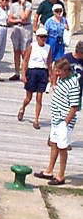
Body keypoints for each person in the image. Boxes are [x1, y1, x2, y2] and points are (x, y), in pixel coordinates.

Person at [34, 57, 80, 185]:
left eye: (59, 71)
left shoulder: (73, 84)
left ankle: (61, 176)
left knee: (62, 147)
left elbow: (74, 106)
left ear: (66, 70)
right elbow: (54, 78)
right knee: (53, 143)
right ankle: (49, 170)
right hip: (56, 119)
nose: (57, 73)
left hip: (63, 120)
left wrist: (66, 123)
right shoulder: (62, 79)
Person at [18, 27, 52, 129]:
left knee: (39, 97)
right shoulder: (32, 46)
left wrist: (50, 76)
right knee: (29, 97)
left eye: (45, 37)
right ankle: (22, 108)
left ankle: (36, 120)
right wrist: (23, 74)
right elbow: (25, 61)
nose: (43, 39)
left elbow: (49, 63)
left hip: (43, 72)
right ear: (37, 37)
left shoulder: (48, 48)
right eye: (41, 37)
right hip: (32, 71)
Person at [8, 0, 33, 80]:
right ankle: (16, 72)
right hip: (16, 28)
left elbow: (24, 17)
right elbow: (9, 19)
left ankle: (25, 72)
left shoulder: (28, 5)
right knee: (16, 51)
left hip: (26, 28)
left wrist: (22, 6)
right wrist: (17, 20)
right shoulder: (13, 6)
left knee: (24, 52)